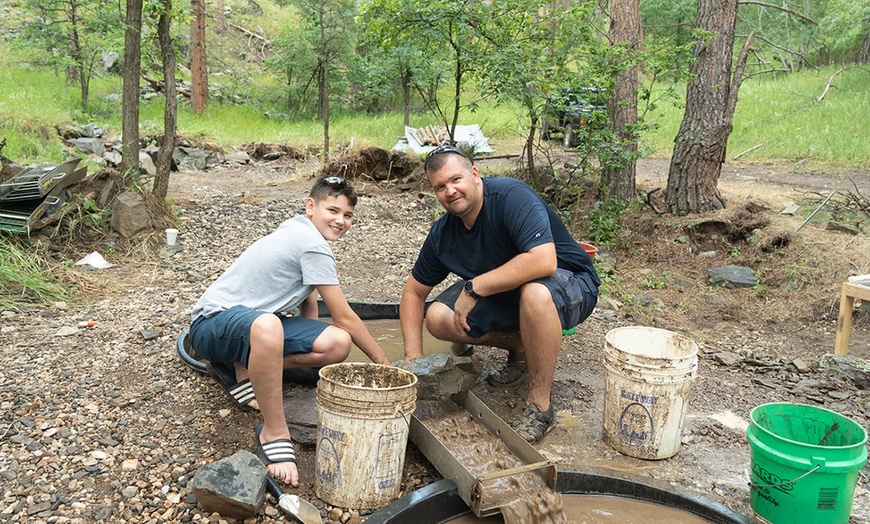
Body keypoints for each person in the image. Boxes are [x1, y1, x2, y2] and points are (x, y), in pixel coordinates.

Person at [188, 176, 390, 485]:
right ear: (311, 206)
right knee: (271, 324)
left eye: (348, 215)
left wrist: (310, 337)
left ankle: (244, 364)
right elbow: (345, 317)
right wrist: (383, 363)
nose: (340, 220)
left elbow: (308, 295)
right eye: (333, 210)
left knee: (337, 343)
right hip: (210, 326)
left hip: (251, 325)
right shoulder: (312, 244)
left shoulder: (300, 230)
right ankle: (274, 432)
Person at [399, 145, 599, 443]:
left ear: (475, 174)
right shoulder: (443, 234)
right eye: (440, 187)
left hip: (570, 282)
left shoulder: (510, 197)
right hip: (509, 292)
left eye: (456, 180)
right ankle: (521, 346)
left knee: (535, 293)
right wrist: (414, 364)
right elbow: (413, 294)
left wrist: (474, 288)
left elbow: (544, 261)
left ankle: (540, 406)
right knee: (438, 317)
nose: (450, 191)